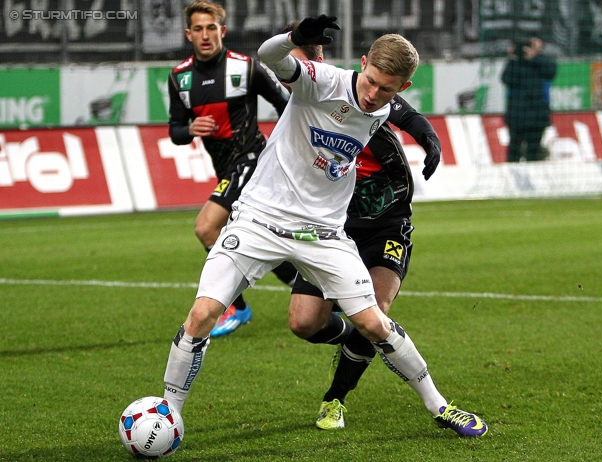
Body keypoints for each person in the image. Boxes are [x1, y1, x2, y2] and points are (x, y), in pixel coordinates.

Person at [161, 15, 488, 439]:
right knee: (202, 313)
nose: (373, 95)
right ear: (363, 62)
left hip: (324, 232)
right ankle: (168, 413)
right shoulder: (323, 81)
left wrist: (427, 137)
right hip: (261, 217)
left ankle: (441, 406)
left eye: (385, 89)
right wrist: (294, 39)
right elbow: (269, 57)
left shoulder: (385, 104)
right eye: (370, 80)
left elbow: (403, 114)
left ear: (400, 89)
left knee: (373, 324)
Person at [282, 32, 483, 436]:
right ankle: (350, 334)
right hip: (331, 226)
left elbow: (405, 114)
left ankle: (335, 398)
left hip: (387, 222)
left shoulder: (364, 94)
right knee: (303, 323)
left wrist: (428, 138)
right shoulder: (298, 100)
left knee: (376, 308)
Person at [168, 1, 297, 337]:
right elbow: (175, 131)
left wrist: (283, 149)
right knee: (263, 238)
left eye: (211, 28)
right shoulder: (180, 77)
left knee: (207, 228)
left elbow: (286, 106)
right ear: (189, 34)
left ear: (222, 31)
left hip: (251, 158)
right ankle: (315, 290)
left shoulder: (246, 67)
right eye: (198, 29)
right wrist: (190, 129)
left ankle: (235, 307)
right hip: (224, 167)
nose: (205, 35)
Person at [501, 36, 557, 162]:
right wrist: (513, 58)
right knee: (514, 147)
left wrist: (534, 57)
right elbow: (506, 79)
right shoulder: (515, 63)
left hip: (537, 113)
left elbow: (552, 72)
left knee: (534, 149)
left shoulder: (543, 62)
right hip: (517, 113)